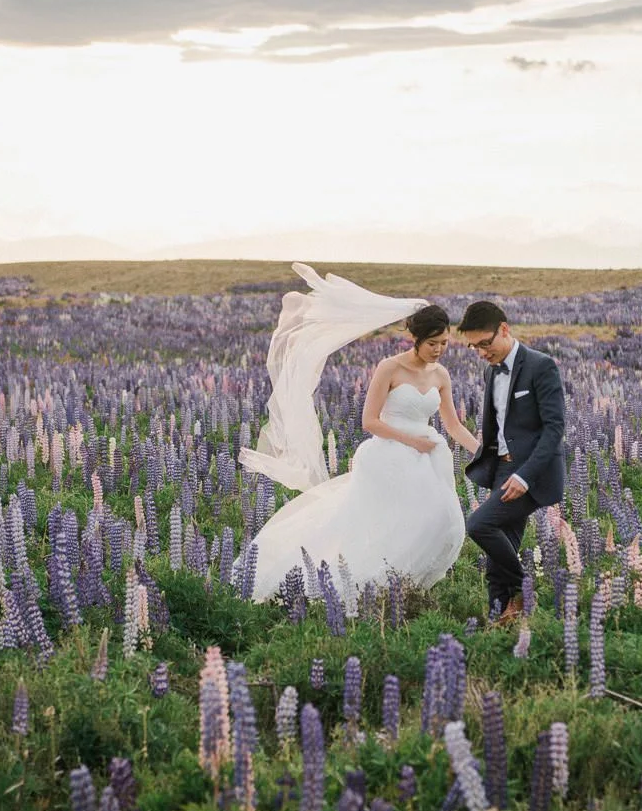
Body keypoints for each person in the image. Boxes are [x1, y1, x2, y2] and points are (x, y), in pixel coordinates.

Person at [239, 263, 480, 602]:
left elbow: (453, 424)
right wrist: (413, 441)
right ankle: (369, 589)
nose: (439, 350)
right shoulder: (390, 368)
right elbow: (370, 421)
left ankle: (406, 589)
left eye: (444, 343)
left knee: (446, 522)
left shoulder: (441, 375)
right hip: (390, 456)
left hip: (428, 460)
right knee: (383, 528)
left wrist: (481, 451)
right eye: (432, 344)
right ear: (414, 339)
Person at [457, 300, 566, 625]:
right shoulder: (492, 370)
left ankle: (525, 588)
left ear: (504, 330)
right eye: (473, 347)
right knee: (495, 563)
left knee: (478, 525)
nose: (481, 352)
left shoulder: (541, 365)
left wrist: (525, 476)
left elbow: (554, 428)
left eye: (485, 344)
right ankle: (501, 624)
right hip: (502, 470)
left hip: (532, 473)